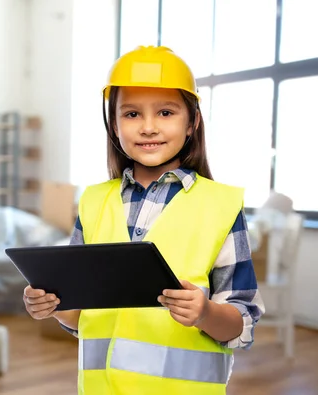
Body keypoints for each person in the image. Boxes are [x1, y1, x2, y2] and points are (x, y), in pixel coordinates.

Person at [23, 45, 265, 395]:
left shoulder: (221, 206)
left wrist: (204, 313)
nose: (148, 127)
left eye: (166, 112)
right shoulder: (92, 202)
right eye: (132, 114)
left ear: (192, 121)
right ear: (113, 123)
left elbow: (242, 325)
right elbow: (82, 316)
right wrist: (54, 307)